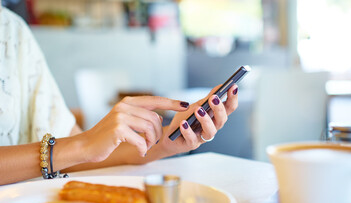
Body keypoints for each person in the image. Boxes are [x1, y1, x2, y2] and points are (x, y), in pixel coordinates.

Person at [0, 6, 239, 185]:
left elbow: (77, 154)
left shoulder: (13, 31)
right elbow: (77, 148)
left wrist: (165, 143)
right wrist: (83, 143)